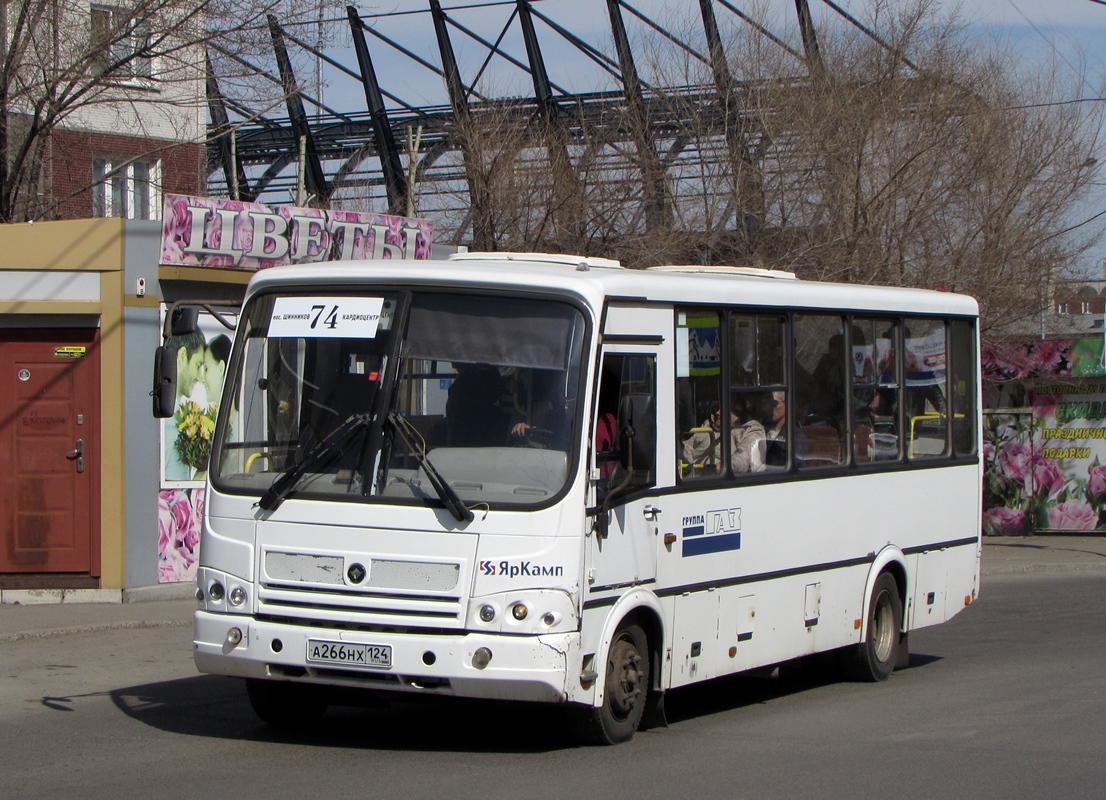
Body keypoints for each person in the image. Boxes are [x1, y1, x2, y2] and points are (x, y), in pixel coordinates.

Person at [683, 396, 766, 474]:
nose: (718, 413)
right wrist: (689, 469)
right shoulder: (706, 427)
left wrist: (729, 466)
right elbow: (687, 447)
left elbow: (746, 454)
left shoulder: (751, 430)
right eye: (718, 408)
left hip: (722, 477)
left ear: (738, 414)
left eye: (725, 409)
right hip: (693, 477)